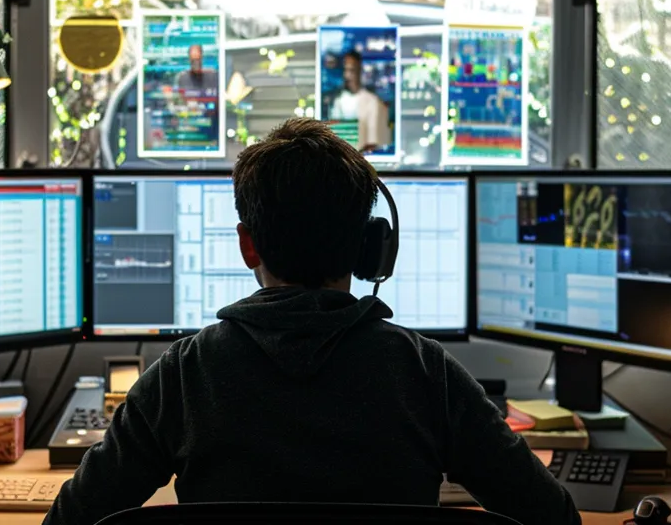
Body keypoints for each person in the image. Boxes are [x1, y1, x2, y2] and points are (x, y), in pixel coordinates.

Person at [44, 119, 577, 525]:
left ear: (247, 244)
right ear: (370, 248)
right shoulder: (424, 373)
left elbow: (69, 522)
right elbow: (554, 518)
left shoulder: (184, 375)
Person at [327, 51, 392, 153]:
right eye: (345, 70)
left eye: (351, 70)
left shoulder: (372, 101)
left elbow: (377, 143)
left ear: (359, 71)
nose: (347, 75)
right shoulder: (337, 101)